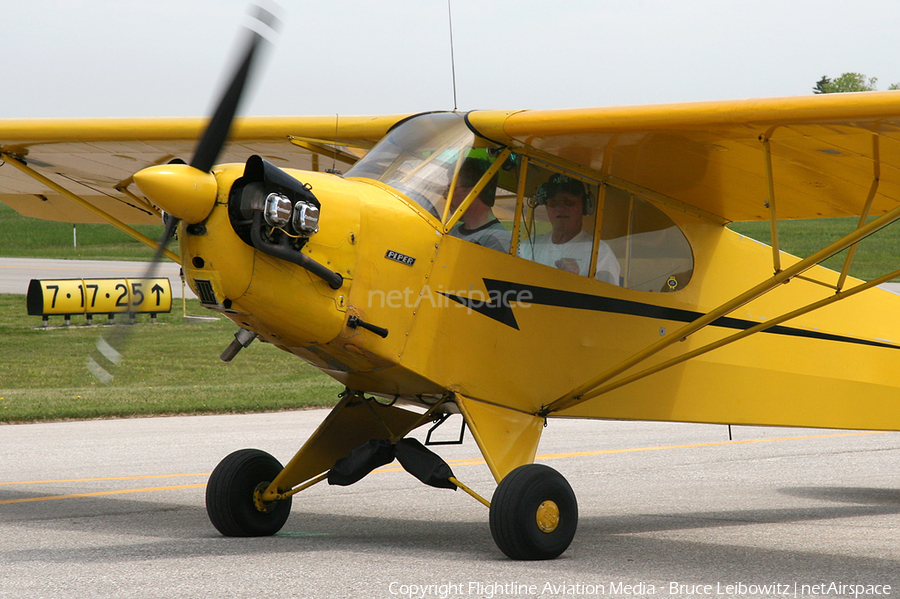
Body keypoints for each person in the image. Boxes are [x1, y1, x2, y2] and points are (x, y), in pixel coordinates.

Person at [519, 173, 621, 284]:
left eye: (569, 201)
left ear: (585, 206)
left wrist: (574, 281)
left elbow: (606, 299)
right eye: (554, 201)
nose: (561, 207)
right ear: (547, 206)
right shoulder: (528, 247)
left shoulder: (600, 252)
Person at [447, 158, 511, 252]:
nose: (445, 195)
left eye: (451, 189)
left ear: (472, 193)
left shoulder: (497, 239)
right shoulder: (453, 231)